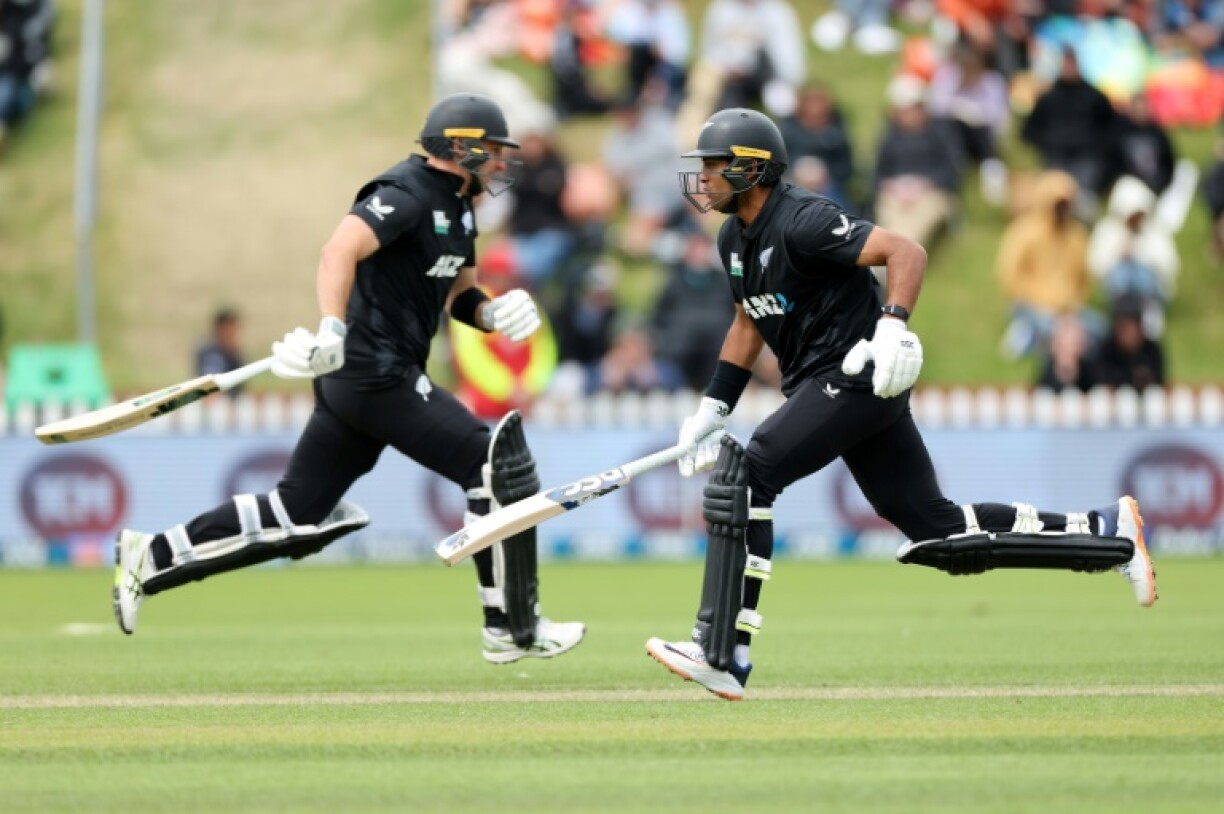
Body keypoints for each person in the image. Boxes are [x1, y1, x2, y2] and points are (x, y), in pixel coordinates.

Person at [644, 107, 1158, 702]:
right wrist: (714, 406)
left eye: (715, 165)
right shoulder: (733, 238)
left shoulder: (804, 221)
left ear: (754, 169)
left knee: (752, 471)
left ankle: (722, 652)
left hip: (858, 374)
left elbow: (907, 250)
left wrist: (892, 324)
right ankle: (1107, 533)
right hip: (832, 386)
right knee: (936, 533)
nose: (703, 178)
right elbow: (746, 321)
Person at [111, 93, 585, 664]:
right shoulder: (405, 193)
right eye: (491, 151)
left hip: (371, 378)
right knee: (491, 466)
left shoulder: (462, 208)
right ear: (459, 146)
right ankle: (511, 627)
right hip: (369, 371)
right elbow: (337, 251)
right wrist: (331, 326)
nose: (501, 163)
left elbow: (459, 295)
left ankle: (151, 555)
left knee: (296, 512)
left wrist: (492, 313)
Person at [194, 307, 245, 397]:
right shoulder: (210, 354)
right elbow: (208, 386)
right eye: (228, 330)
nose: (232, 334)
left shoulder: (236, 355)